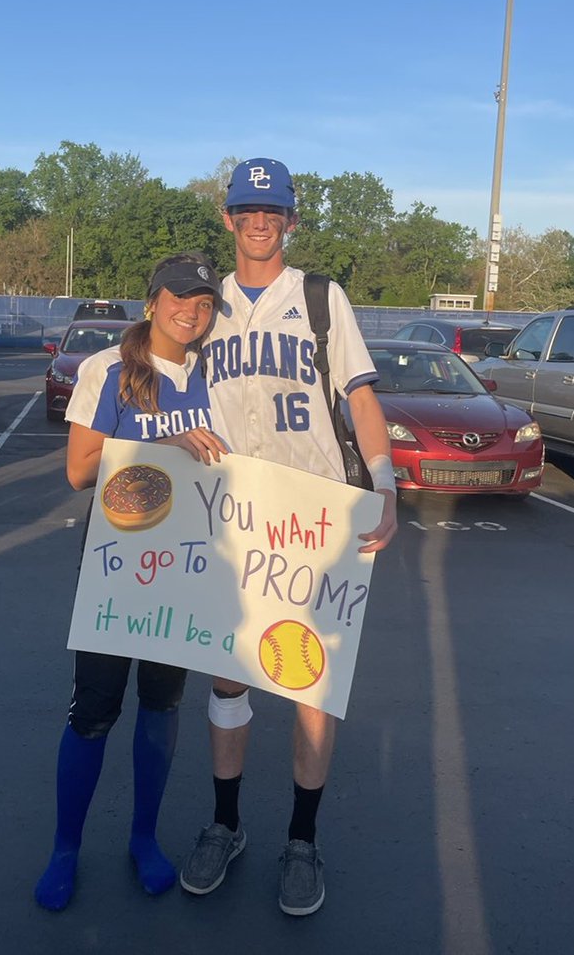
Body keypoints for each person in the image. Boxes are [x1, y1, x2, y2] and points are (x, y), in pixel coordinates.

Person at [179, 159, 398, 916]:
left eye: (271, 210)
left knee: (308, 685)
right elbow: (163, 391)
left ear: (291, 220)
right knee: (229, 676)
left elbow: (360, 399)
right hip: (233, 514)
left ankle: (301, 839)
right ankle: (225, 824)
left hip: (313, 514)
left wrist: (386, 485)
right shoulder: (202, 307)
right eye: (246, 208)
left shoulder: (317, 297)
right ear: (228, 217)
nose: (258, 220)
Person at [35, 252, 227, 911]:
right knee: (93, 712)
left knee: (161, 706)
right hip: (118, 566)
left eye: (203, 303)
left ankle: (143, 838)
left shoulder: (214, 373)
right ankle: (66, 847)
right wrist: (167, 445)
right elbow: (79, 471)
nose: (191, 312)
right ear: (152, 302)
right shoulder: (106, 370)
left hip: (187, 567)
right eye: (179, 298)